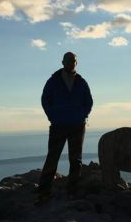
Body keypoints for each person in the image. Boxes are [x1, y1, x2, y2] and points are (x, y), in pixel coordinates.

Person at [37, 52, 93, 204]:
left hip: (77, 125)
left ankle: (72, 190)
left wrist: (82, 115)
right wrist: (52, 116)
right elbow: (45, 99)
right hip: (58, 125)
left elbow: (88, 101)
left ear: (76, 63)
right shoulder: (54, 80)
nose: (71, 63)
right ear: (63, 62)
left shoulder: (81, 82)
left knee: (76, 159)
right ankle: (44, 189)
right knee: (53, 157)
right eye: (68, 60)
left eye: (73, 61)